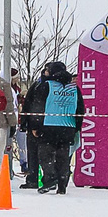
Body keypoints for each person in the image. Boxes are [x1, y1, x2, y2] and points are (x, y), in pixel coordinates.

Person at [20, 60, 79, 193]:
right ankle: (62, 184)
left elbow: (38, 107)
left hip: (49, 126)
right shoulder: (74, 88)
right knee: (63, 157)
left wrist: (35, 125)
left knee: (45, 155)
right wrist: (76, 127)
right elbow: (80, 109)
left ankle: (50, 179)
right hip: (68, 126)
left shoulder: (46, 85)